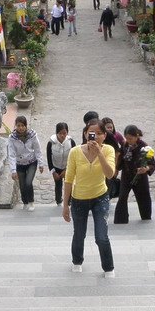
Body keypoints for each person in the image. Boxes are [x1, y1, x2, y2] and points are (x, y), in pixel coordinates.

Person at [63, 119, 116, 277]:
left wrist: (99, 152)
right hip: (79, 198)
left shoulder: (108, 150)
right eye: (92, 133)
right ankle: (77, 260)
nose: (96, 136)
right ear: (86, 134)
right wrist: (65, 205)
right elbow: (69, 179)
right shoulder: (75, 152)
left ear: (105, 136)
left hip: (100, 196)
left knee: (101, 236)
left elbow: (110, 174)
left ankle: (108, 267)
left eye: (100, 133)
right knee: (79, 233)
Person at [114, 125, 155, 224]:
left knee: (143, 197)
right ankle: (121, 220)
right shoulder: (125, 145)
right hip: (126, 175)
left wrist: (146, 169)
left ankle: (146, 217)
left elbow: (152, 164)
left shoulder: (144, 147)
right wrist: (116, 166)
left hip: (140, 177)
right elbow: (120, 159)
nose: (129, 140)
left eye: (131, 138)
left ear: (137, 136)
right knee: (122, 196)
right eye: (127, 138)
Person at [7, 115, 44, 211]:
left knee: (28, 183)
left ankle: (31, 201)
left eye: (23, 125)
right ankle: (25, 202)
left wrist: (40, 163)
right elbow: (11, 154)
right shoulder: (12, 138)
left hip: (31, 162)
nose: (21, 128)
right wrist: (13, 170)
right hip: (19, 164)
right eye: (18, 125)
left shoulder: (32, 135)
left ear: (26, 126)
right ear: (16, 126)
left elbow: (37, 149)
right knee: (22, 185)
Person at [46, 121, 75, 206]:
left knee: (69, 184)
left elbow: (74, 157)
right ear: (56, 133)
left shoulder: (71, 142)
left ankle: (69, 201)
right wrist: (53, 171)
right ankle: (58, 200)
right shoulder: (51, 143)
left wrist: (67, 169)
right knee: (58, 185)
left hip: (68, 167)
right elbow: (49, 159)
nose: (62, 135)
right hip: (56, 167)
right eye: (60, 133)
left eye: (64, 133)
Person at [101, 117, 124, 199]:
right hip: (102, 163)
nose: (110, 129)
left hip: (112, 163)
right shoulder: (101, 136)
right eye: (107, 127)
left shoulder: (116, 136)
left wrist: (116, 167)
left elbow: (122, 147)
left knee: (109, 183)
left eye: (111, 127)